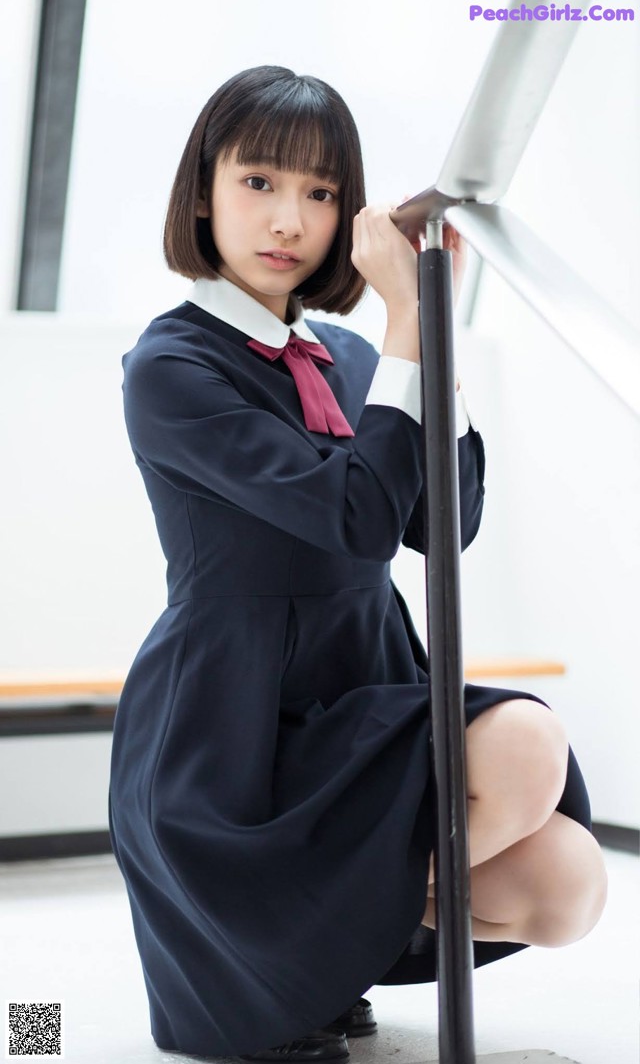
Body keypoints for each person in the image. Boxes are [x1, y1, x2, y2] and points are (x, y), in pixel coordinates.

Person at [108, 65, 607, 1063]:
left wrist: (431, 333)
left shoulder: (345, 355)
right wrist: (404, 329)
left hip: (359, 676)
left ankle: (320, 943)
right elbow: (357, 522)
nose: (288, 218)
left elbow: (444, 522)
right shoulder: (172, 366)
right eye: (258, 182)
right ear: (201, 189)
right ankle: (285, 953)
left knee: (567, 885)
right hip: (238, 718)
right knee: (521, 745)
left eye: (321, 192)